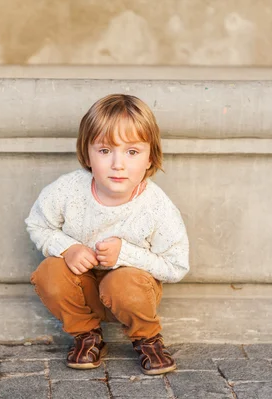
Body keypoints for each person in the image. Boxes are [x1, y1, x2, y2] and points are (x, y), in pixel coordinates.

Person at [25, 93, 189, 375]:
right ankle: (87, 336)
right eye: (104, 151)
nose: (118, 164)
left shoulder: (156, 206)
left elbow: (176, 266)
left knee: (122, 282)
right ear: (87, 154)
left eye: (132, 152)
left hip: (130, 293)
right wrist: (67, 248)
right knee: (49, 271)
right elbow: (37, 224)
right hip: (83, 290)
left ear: (150, 158)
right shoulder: (68, 190)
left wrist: (124, 254)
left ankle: (148, 339)